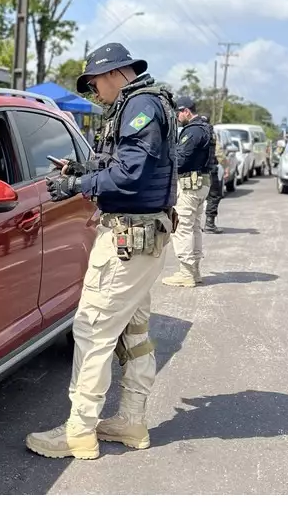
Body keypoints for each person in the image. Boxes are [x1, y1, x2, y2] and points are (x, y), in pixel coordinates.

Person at [25, 42, 178, 460]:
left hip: (129, 241)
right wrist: (80, 169)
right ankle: (130, 420)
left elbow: (130, 175)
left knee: (92, 330)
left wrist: (76, 187)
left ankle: (79, 430)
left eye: (95, 84)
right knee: (135, 330)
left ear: (115, 73)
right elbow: (122, 162)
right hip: (143, 239)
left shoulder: (140, 106)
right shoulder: (141, 102)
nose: (95, 92)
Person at [161, 96, 215, 287]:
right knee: (193, 227)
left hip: (190, 184)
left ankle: (186, 273)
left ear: (186, 111)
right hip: (202, 183)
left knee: (182, 227)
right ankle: (195, 271)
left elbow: (180, 159)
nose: (176, 117)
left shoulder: (192, 131)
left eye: (178, 113)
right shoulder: (207, 127)